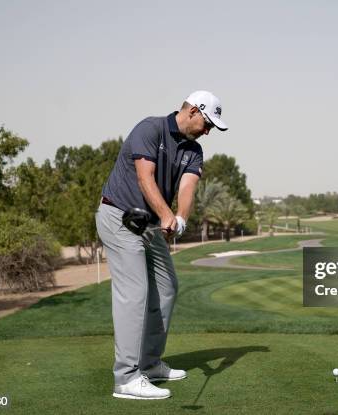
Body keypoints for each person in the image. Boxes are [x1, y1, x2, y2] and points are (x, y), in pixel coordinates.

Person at [95, 91, 228, 400]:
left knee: (167, 287)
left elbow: (187, 186)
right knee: (135, 293)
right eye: (207, 124)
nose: (208, 132)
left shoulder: (194, 150)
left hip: (150, 224)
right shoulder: (150, 128)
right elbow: (145, 178)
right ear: (194, 111)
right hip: (120, 216)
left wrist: (180, 217)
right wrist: (166, 214)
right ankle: (126, 378)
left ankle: (150, 363)